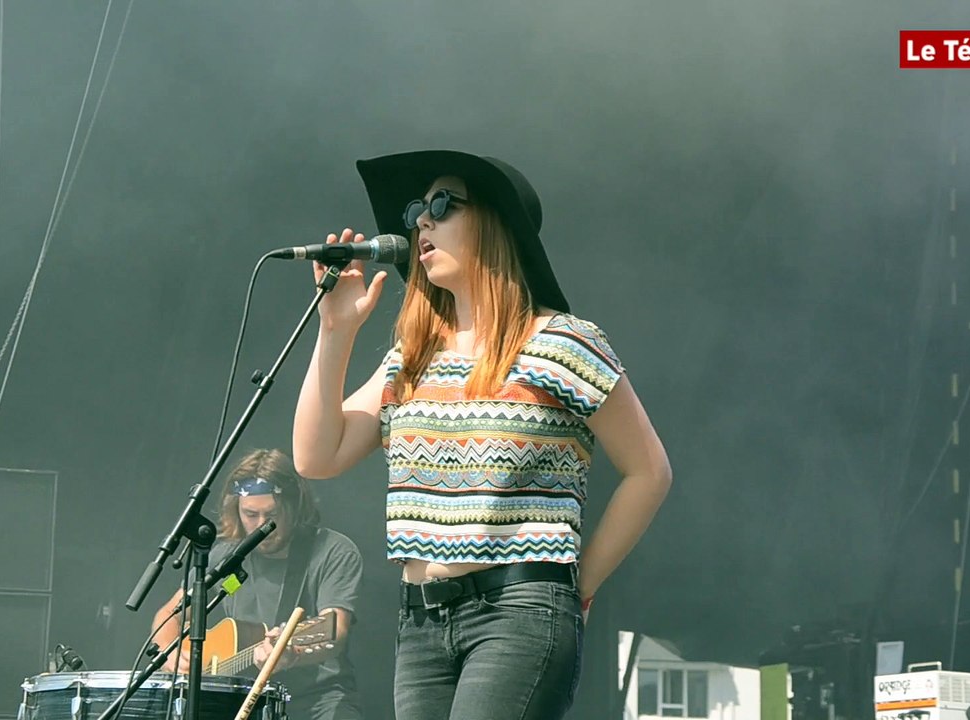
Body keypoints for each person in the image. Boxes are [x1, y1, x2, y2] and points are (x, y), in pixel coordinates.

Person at [291, 150, 673, 719]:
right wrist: (335, 331)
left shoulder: (562, 342)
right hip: (420, 621)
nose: (421, 219)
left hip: (520, 610)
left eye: (443, 204)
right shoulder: (412, 358)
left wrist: (579, 586)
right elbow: (316, 457)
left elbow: (649, 471)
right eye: (418, 208)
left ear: (497, 223)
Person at [150, 448, 364, 720]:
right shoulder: (225, 557)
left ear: (293, 506)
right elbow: (169, 615)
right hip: (244, 701)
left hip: (318, 701)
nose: (262, 525)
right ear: (235, 508)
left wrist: (292, 655)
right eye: (250, 514)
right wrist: (171, 654)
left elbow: (335, 630)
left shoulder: (332, 550)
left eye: (271, 514)